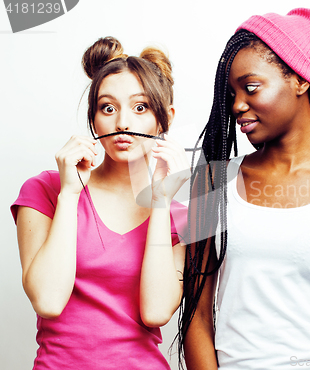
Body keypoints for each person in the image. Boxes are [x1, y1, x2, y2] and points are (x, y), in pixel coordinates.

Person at [180, 8, 310, 370]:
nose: (237, 105)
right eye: (231, 94)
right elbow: (195, 318)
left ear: (300, 80)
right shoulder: (209, 183)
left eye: (251, 87)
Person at [11, 36, 189, 369]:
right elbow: (48, 300)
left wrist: (161, 198)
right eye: (108, 108)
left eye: (141, 107)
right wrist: (69, 195)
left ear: (164, 118)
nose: (123, 122)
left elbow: (156, 311)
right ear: (94, 120)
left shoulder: (181, 218)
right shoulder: (45, 190)